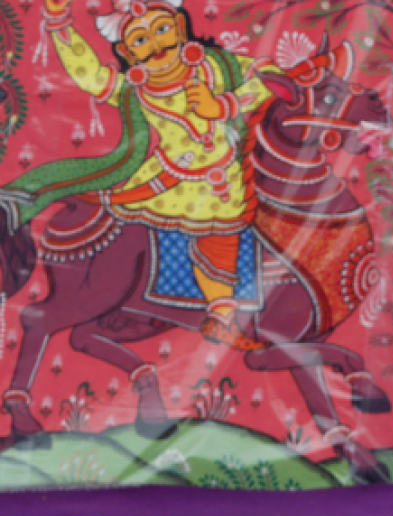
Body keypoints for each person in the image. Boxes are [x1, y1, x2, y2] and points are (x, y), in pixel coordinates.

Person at [9, 0, 278, 351]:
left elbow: (272, 75)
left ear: (181, 27)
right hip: (165, 180)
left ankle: (222, 317)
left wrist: (224, 105)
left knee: (224, 232)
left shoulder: (218, 65)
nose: (155, 45)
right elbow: (91, 77)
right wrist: (60, 24)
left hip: (224, 178)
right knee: (119, 226)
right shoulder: (136, 91)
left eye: (162, 30)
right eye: (140, 40)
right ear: (125, 52)